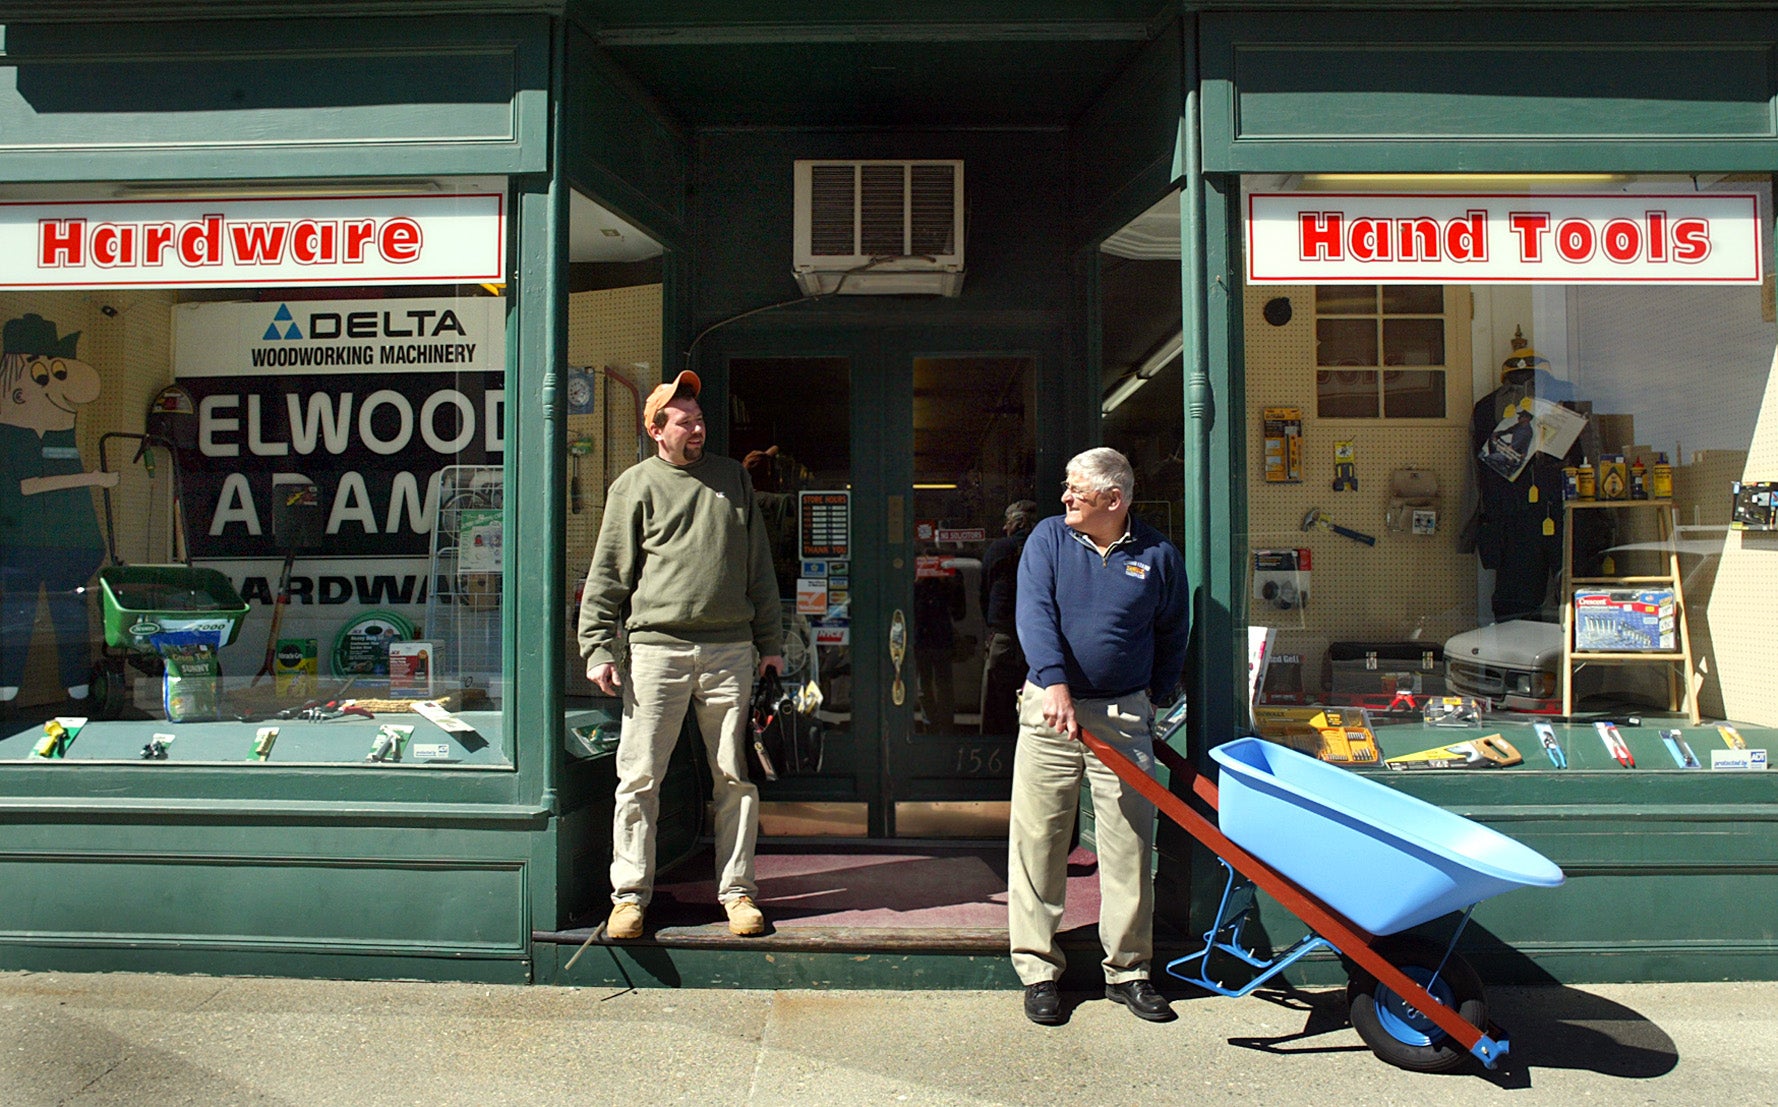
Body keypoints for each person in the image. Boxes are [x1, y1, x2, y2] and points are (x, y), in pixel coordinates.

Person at [578, 369, 785, 940]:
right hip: (655, 652)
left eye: (699, 419)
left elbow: (758, 570)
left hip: (730, 652)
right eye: (684, 421)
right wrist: (597, 646)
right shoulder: (634, 486)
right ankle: (629, 898)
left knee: (734, 778)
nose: (697, 428)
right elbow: (608, 577)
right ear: (656, 430)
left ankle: (739, 894)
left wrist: (771, 644)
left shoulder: (732, 481)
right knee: (640, 777)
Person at [1008, 447, 1188, 1026]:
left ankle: (1130, 971)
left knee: (1130, 843)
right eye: (1066, 487)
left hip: (1124, 714)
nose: (1064, 498)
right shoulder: (1048, 539)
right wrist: (1055, 683)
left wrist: (1154, 694)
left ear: (1114, 501)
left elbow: (1173, 627)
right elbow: (1034, 614)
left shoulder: (1157, 554)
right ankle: (1039, 971)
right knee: (1039, 839)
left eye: (1076, 492)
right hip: (1049, 710)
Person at [978, 499, 1037, 735]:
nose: (1005, 528)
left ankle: (993, 756)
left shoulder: (999, 550)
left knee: (995, 706)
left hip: (1004, 637)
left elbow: (984, 593)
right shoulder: (1046, 549)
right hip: (1039, 643)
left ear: (1019, 523)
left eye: (1008, 522)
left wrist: (993, 628)